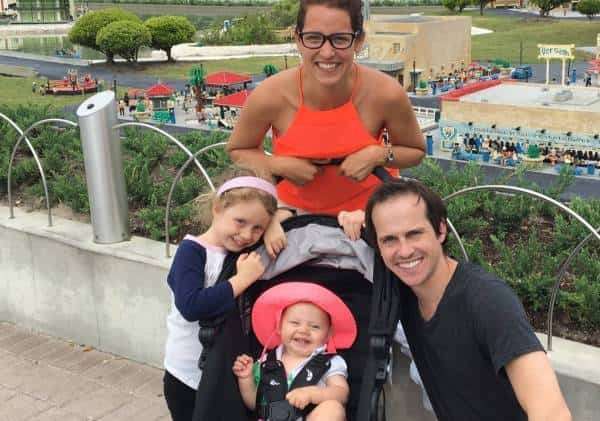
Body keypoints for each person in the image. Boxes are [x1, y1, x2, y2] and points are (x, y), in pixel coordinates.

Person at [363, 179, 572, 421]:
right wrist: (351, 220)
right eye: (389, 240)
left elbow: (552, 412)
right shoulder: (403, 290)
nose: (404, 250)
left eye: (414, 234)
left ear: (441, 230)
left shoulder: (487, 300)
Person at [226, 0, 425, 241]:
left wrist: (377, 155)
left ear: (359, 41)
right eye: (313, 38)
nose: (327, 52)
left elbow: (415, 151)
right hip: (291, 218)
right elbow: (239, 150)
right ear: (298, 39)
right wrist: (277, 165)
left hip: (366, 216)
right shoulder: (270, 95)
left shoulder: (385, 93)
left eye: (340, 39)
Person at [163, 171, 279, 421]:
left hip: (224, 372)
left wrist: (273, 227)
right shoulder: (191, 252)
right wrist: (241, 279)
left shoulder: (240, 251)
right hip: (186, 375)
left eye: (258, 228)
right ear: (217, 209)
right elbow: (191, 305)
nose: (247, 234)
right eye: (240, 222)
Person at [233, 282, 357, 421]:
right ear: (279, 327)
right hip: (273, 417)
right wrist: (246, 378)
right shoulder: (267, 361)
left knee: (333, 408)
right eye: (295, 323)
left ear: (328, 334)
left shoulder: (330, 362)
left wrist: (312, 394)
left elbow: (341, 393)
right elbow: (255, 405)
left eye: (315, 327)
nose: (303, 330)